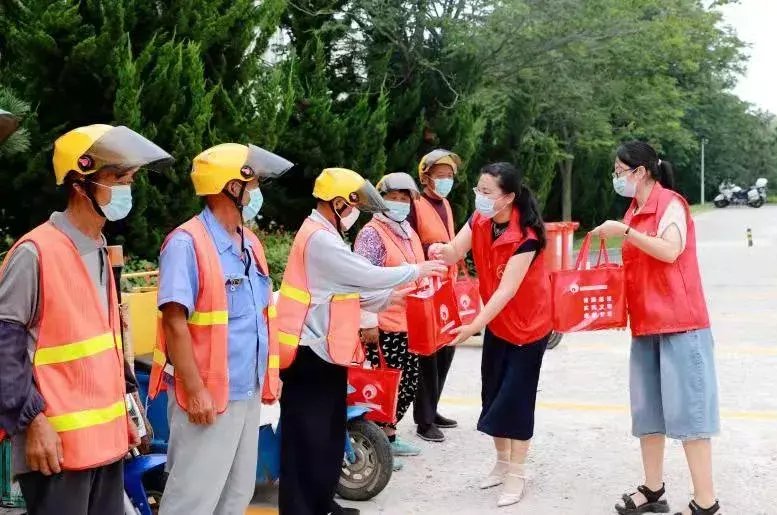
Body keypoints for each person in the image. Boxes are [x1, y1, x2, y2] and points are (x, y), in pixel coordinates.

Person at [0, 124, 173, 514]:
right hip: (55, 448)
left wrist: (128, 416)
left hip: (105, 443)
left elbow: (105, 347)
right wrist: (32, 423)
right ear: (80, 184)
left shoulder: (97, 248)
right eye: (117, 178)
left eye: (130, 178)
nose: (127, 188)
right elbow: (3, 347)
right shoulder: (35, 252)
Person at [276, 168, 447, 515]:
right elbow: (364, 275)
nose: (356, 213)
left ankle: (323, 503)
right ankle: (300, 508)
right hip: (308, 353)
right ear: (339, 204)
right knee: (306, 437)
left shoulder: (328, 234)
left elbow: (346, 291)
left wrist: (386, 300)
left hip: (327, 352)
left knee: (327, 433)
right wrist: (417, 271)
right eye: (353, 205)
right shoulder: (318, 238)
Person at [150, 143, 293, 514]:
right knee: (193, 498)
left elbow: (263, 317)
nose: (258, 191)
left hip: (245, 391)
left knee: (236, 493)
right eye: (254, 182)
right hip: (208, 396)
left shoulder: (250, 244)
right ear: (233, 186)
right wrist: (195, 390)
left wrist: (269, 377)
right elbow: (174, 321)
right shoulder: (186, 243)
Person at [594, 141, 720, 515]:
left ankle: (706, 502)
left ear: (641, 171)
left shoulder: (671, 204)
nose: (616, 177)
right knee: (648, 412)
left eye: (620, 170)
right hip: (646, 324)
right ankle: (653, 489)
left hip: (682, 324)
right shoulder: (634, 209)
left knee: (690, 414)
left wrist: (625, 233)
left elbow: (670, 250)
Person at [430, 162, 552, 508]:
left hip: (528, 327)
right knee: (493, 392)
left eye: (487, 193)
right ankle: (500, 464)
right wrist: (441, 251)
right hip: (498, 323)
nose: (479, 198)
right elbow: (456, 251)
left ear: (509, 197)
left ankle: (517, 472)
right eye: (477, 191)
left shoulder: (526, 237)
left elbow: (506, 291)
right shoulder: (480, 219)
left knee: (516, 398)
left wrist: (473, 325)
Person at [354, 172, 426, 467]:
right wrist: (367, 320)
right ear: (380, 200)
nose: (398, 204)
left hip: (410, 322)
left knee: (406, 382)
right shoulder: (372, 234)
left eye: (403, 198)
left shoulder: (407, 231)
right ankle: (377, 443)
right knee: (384, 385)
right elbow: (362, 280)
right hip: (384, 323)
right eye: (392, 198)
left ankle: (390, 436)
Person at [406, 148, 462, 442]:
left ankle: (433, 407)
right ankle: (424, 421)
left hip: (446, 287)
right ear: (425, 176)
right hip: (427, 287)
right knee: (428, 353)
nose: (446, 180)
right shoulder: (416, 205)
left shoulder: (446, 204)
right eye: (441, 175)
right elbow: (412, 241)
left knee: (446, 348)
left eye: (450, 175)